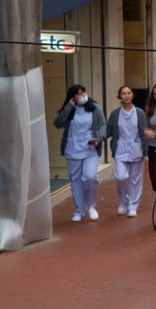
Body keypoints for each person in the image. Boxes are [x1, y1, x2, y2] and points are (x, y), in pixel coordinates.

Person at [52, 84, 102, 223]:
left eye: (83, 92)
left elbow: (102, 125)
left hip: (90, 149)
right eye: (79, 94)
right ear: (73, 97)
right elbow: (57, 123)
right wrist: (69, 107)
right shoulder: (69, 110)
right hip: (72, 150)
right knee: (76, 181)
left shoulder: (94, 108)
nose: (82, 96)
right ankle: (79, 210)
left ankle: (91, 206)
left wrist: (98, 139)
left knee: (90, 176)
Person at [110, 84, 148, 218]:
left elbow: (144, 132)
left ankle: (133, 206)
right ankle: (123, 201)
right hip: (120, 148)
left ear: (132, 95)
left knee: (136, 179)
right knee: (120, 177)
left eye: (128, 93)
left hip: (136, 147)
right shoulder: (115, 114)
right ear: (120, 96)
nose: (126, 95)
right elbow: (109, 130)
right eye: (123, 93)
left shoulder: (139, 113)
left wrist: (146, 150)